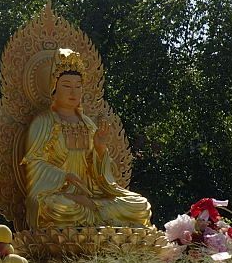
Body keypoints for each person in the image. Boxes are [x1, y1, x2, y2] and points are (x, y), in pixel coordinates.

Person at [22, 49, 150, 228]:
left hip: (92, 196)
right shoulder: (43, 122)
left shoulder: (88, 124)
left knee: (140, 205)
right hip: (61, 198)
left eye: (78, 85)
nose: (73, 91)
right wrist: (63, 176)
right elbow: (34, 164)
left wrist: (99, 148)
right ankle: (103, 220)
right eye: (66, 85)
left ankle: (95, 215)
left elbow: (104, 176)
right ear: (54, 88)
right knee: (57, 207)